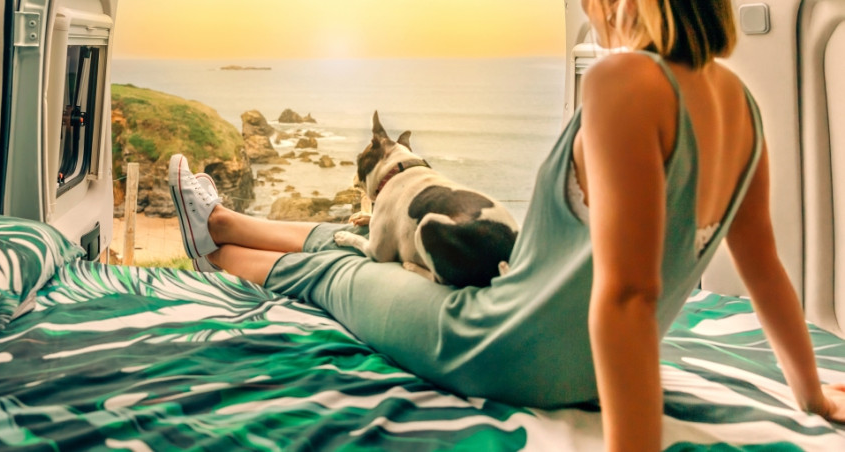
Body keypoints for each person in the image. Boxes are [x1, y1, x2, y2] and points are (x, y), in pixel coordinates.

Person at [166, 0, 845, 449]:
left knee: (346, 273)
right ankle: (223, 218)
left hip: (498, 344)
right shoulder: (744, 105)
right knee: (355, 240)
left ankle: (213, 249)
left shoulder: (624, 83)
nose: (587, 6)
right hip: (582, 368)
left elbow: (628, 295)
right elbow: (766, 269)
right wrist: (810, 393)